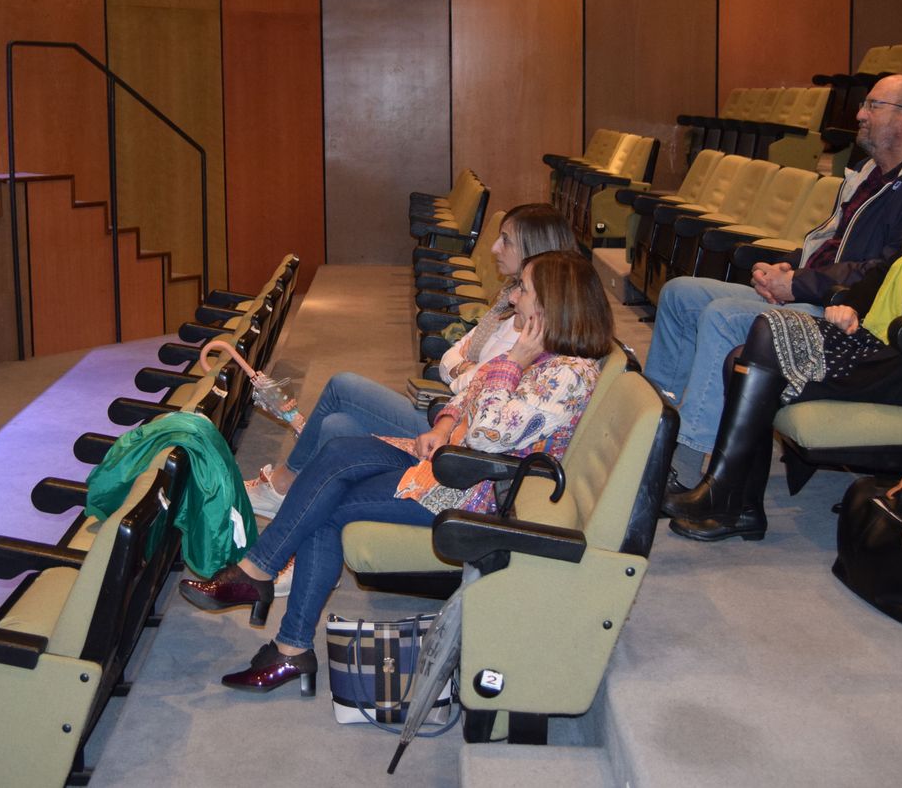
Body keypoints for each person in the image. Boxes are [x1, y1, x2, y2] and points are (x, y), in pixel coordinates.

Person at [180, 250, 613, 694]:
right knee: (338, 452)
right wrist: (444, 423)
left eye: (525, 289)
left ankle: (281, 629)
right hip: (449, 462)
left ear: (550, 305)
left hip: (472, 489)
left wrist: (513, 362)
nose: (516, 297)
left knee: (326, 505)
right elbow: (466, 400)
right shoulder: (539, 357)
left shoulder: (567, 374)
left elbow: (489, 436)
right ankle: (262, 588)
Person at [664, 124, 902, 542]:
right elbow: (890, 273)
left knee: (764, 333)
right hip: (882, 347)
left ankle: (728, 498)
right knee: (742, 355)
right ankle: (735, 503)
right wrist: (849, 303)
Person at [644, 73, 902, 469]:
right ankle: (655, 424)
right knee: (680, 293)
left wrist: (798, 284)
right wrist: (787, 267)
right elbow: (832, 240)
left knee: (722, 317)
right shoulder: (871, 171)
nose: (860, 114)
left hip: (847, 309)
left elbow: (888, 269)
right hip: (812, 287)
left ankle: (685, 462)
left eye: (873, 105)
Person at [244, 204, 580, 519]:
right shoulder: (508, 303)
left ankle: (284, 486)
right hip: (451, 414)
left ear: (534, 249)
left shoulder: (532, 323)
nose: (494, 248)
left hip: (456, 435)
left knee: (342, 388)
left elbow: (481, 383)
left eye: (505, 240)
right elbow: (452, 359)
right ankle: (287, 493)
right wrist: (466, 371)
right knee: (335, 424)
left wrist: (467, 372)